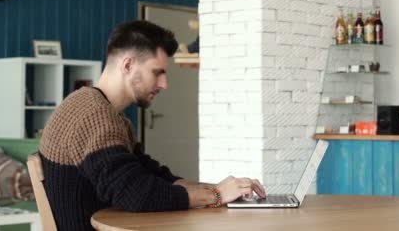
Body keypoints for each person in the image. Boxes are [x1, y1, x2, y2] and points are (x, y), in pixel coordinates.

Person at [39, 20, 266, 230]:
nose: (164, 84)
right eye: (157, 73)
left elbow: (151, 175)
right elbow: (135, 193)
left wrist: (218, 189)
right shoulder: (93, 114)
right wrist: (216, 195)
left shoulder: (103, 112)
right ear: (128, 65)